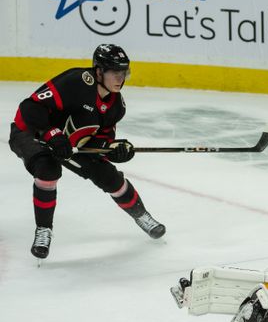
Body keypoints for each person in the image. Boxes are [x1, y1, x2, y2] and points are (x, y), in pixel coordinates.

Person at [8, 43, 165, 259]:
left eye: (124, 72)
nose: (121, 78)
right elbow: (29, 107)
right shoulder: (76, 82)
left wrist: (113, 151)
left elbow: (100, 142)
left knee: (108, 177)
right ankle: (44, 230)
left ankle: (141, 215)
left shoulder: (116, 105)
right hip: (30, 132)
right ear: (99, 71)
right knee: (48, 169)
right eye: (115, 72)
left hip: (70, 144)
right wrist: (51, 133)